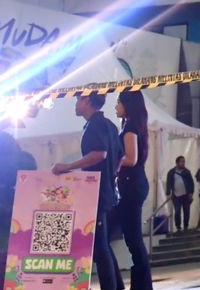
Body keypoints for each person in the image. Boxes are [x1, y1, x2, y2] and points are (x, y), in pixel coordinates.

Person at [52, 93, 123, 290]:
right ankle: (117, 286)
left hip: (97, 193)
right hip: (107, 191)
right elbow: (120, 158)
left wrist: (69, 166)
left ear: (88, 102)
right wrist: (111, 176)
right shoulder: (110, 125)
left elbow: (100, 153)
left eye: (78, 100)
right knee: (104, 244)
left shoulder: (95, 126)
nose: (76, 104)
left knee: (100, 249)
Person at [114, 91, 153, 290]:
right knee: (132, 238)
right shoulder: (132, 125)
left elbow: (131, 158)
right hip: (133, 184)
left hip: (132, 185)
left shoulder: (129, 128)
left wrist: (112, 162)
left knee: (134, 239)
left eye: (118, 102)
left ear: (127, 104)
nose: (115, 107)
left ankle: (142, 285)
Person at [164, 157, 194, 234]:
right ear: (177, 163)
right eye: (181, 162)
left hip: (186, 195)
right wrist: (168, 193)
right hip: (176, 195)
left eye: (184, 161)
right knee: (177, 211)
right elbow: (169, 183)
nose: (183, 163)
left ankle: (186, 227)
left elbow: (191, 183)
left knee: (186, 211)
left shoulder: (187, 172)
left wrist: (191, 193)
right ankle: (178, 227)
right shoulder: (171, 172)